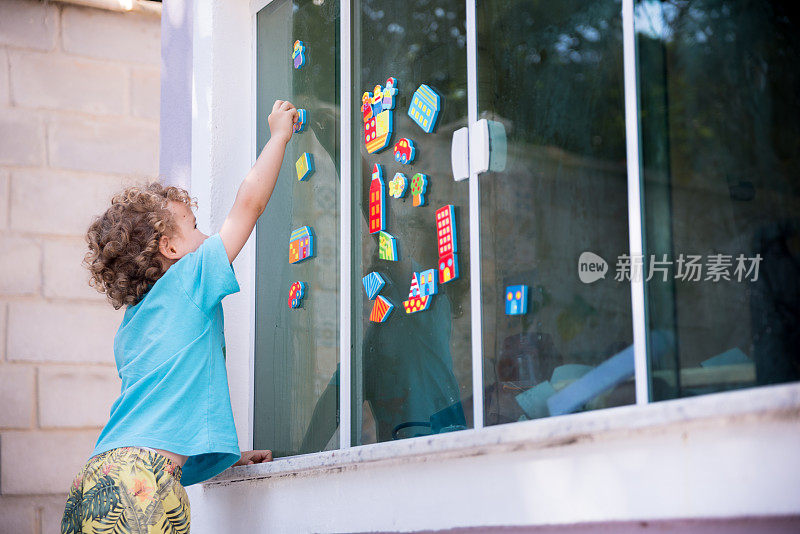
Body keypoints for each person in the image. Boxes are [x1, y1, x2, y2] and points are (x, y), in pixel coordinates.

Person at [60, 100, 299, 534]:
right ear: (170, 249)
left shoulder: (131, 327)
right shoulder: (191, 277)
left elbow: (163, 409)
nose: (205, 237)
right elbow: (249, 205)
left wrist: (224, 454)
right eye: (193, 226)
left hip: (95, 480)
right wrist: (278, 136)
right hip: (142, 485)